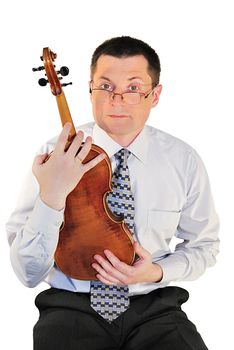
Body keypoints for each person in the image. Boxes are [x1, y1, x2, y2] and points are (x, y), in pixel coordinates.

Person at [6, 36, 219, 349]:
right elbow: (27, 273)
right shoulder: (54, 155)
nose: (117, 99)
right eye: (105, 86)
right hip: (70, 308)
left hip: (155, 309)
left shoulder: (182, 160)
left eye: (133, 88)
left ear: (155, 95)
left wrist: (157, 271)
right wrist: (52, 196)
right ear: (90, 89)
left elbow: (205, 245)